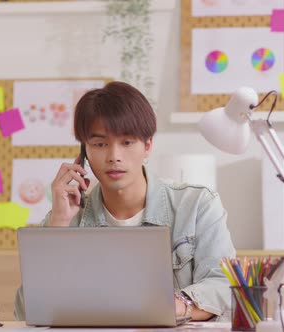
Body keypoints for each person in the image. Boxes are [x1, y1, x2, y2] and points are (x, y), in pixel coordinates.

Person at [14, 81, 236, 321]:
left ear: (148, 145)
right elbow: (27, 311)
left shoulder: (196, 204)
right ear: (84, 153)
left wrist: (173, 305)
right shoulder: (67, 217)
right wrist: (58, 224)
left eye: (127, 142)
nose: (114, 157)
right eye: (100, 144)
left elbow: (225, 285)